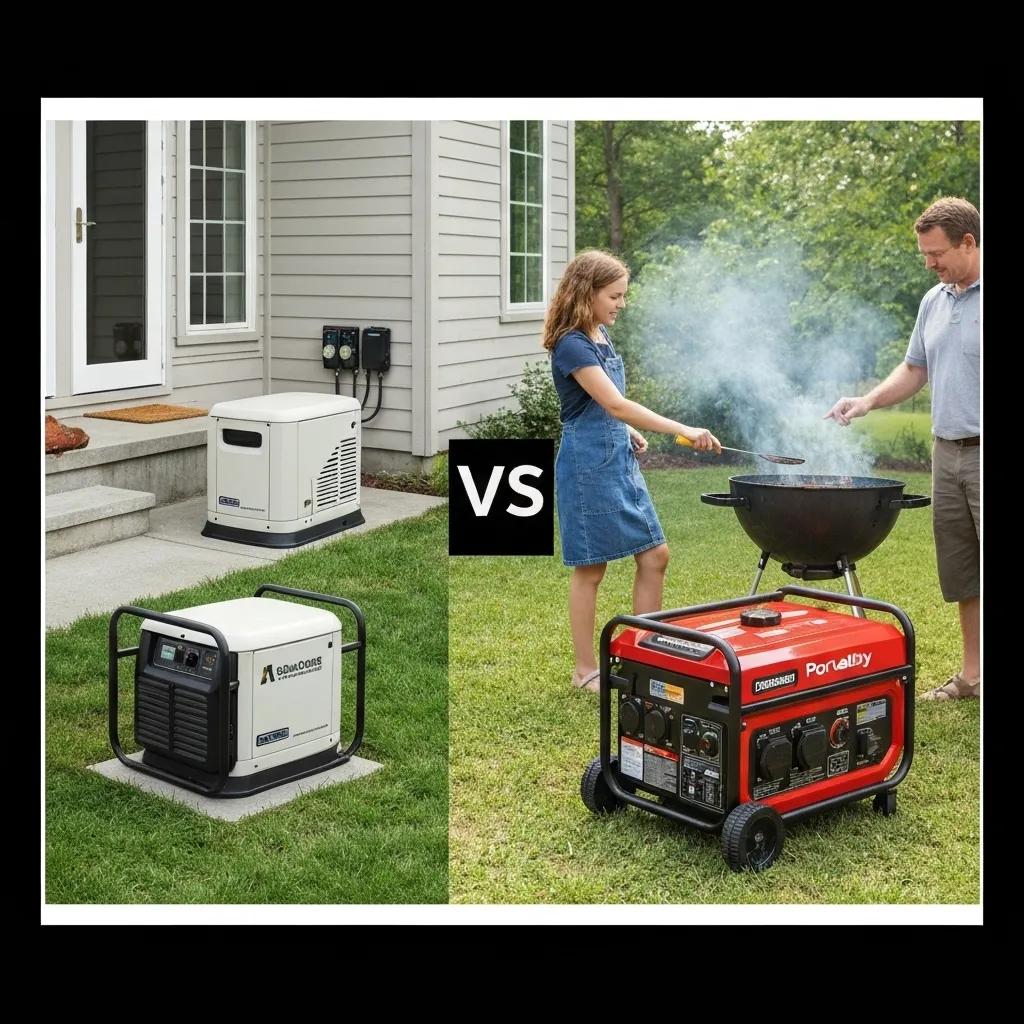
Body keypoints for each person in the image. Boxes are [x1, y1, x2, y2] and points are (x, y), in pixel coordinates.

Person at [544, 250, 721, 692]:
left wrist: (623, 433)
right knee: (591, 569)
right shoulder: (572, 343)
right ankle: (585, 670)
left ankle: (645, 654)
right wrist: (682, 428)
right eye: (614, 295)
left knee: (655, 554)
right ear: (588, 292)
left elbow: (606, 408)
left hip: (615, 457)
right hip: (587, 465)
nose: (621, 303)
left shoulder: (599, 334)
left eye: (623, 295)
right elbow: (613, 403)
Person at [826, 196, 980, 702]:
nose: (930, 263)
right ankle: (973, 676)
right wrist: (869, 400)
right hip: (947, 453)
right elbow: (915, 368)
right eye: (924, 255)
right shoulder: (934, 300)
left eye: (936, 253)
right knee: (962, 569)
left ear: (969, 242)